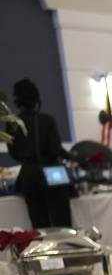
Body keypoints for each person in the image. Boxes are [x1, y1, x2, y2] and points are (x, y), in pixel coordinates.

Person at [5, 78, 71, 229]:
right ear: (36, 98)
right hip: (53, 172)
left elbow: (13, 153)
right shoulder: (47, 120)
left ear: (17, 100)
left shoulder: (12, 123)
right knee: (63, 224)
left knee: (40, 227)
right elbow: (55, 149)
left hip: (28, 174)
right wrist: (72, 157)